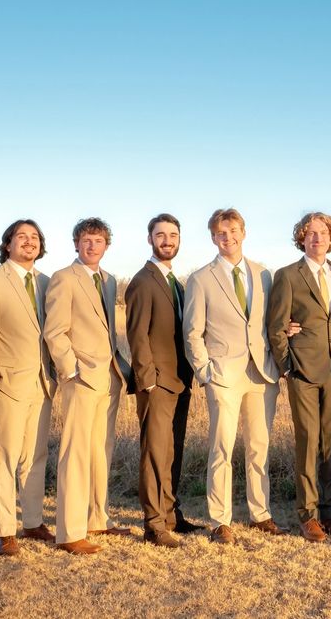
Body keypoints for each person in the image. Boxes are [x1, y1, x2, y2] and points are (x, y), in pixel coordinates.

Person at [183, 209, 283, 545]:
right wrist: (205, 372)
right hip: (223, 374)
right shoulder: (201, 278)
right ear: (213, 238)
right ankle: (219, 520)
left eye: (234, 231)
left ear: (244, 231)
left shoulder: (263, 274)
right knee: (222, 448)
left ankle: (261, 513)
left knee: (259, 446)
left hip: (261, 373)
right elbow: (192, 332)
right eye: (222, 233)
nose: (229, 238)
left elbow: (270, 322)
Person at [44, 217, 135, 555]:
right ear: (76, 244)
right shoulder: (63, 279)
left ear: (106, 245)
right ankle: (69, 532)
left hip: (109, 377)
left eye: (98, 240)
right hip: (81, 378)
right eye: (85, 240)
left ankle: (98, 518)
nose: (92, 245)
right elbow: (54, 332)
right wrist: (72, 371)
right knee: (76, 453)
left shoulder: (108, 281)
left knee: (101, 450)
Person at [0, 220, 57, 555]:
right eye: (22, 237)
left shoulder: (48, 283)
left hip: (41, 383)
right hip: (6, 384)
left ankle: (32, 522)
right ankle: (4, 531)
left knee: (36, 456)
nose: (29, 242)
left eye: (35, 237)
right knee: (5, 456)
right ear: (8, 244)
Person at [266, 212, 331, 542]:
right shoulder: (287, 275)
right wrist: (286, 366)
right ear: (302, 238)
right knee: (307, 442)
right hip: (302, 370)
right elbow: (275, 326)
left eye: (323, 232)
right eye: (310, 233)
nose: (317, 238)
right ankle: (307, 515)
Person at [126, 213, 203, 548]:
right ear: (150, 239)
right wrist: (148, 380)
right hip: (157, 382)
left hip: (180, 379)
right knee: (155, 452)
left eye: (173, 235)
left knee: (173, 451)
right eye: (161, 235)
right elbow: (137, 334)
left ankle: (172, 515)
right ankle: (154, 524)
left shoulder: (178, 283)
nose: (167, 240)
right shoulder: (143, 281)